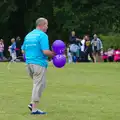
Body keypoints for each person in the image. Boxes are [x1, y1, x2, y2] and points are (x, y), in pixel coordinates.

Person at [21, 17, 55, 115]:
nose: (47, 27)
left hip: (28, 64)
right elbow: (45, 51)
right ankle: (34, 109)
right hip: (38, 63)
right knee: (38, 85)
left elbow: (23, 50)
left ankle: (32, 104)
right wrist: (55, 54)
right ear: (42, 25)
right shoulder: (42, 35)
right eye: (46, 25)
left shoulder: (28, 35)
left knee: (42, 84)